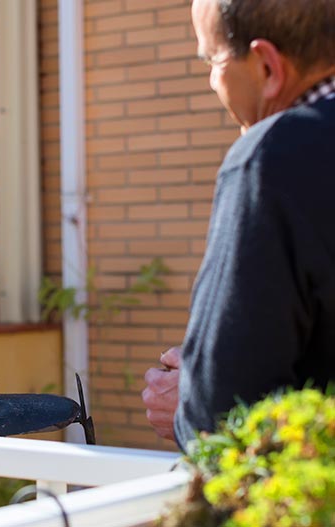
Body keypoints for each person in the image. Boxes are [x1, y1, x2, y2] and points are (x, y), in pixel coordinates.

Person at [143, 0, 335, 450]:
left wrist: (187, 404)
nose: (212, 81)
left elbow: (222, 412)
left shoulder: (273, 158)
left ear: (267, 67)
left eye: (212, 60)